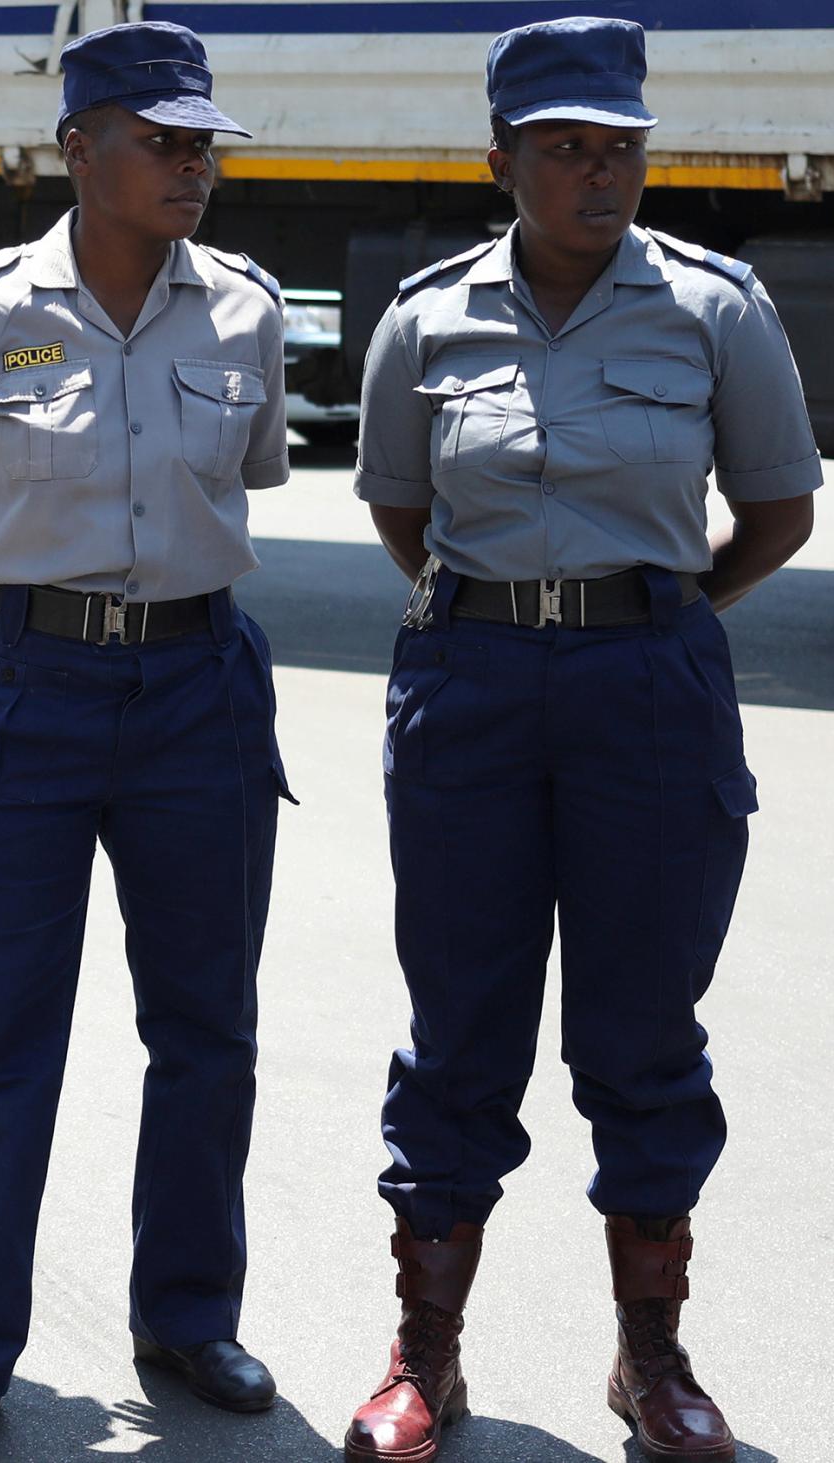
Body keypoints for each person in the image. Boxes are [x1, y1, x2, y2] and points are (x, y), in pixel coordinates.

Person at [340, 19, 817, 1463]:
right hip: (473, 679)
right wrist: (514, 612)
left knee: (645, 1026)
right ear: (503, 160)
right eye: (564, 147)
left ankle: (653, 1357)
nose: (597, 172)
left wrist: (660, 605)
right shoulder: (426, 317)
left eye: (619, 147)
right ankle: (426, 1355)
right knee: (461, 1023)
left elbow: (782, 509)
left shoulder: (716, 309)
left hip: (650, 685)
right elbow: (400, 510)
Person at [0, 22, 292, 1457]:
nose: (192, 166)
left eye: (203, 145)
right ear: (79, 147)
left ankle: (188, 1310)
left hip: (197, 689)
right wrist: (7, 624)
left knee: (205, 1024)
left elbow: (251, 479)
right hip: (25, 689)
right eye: (161, 140)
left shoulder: (243, 310)